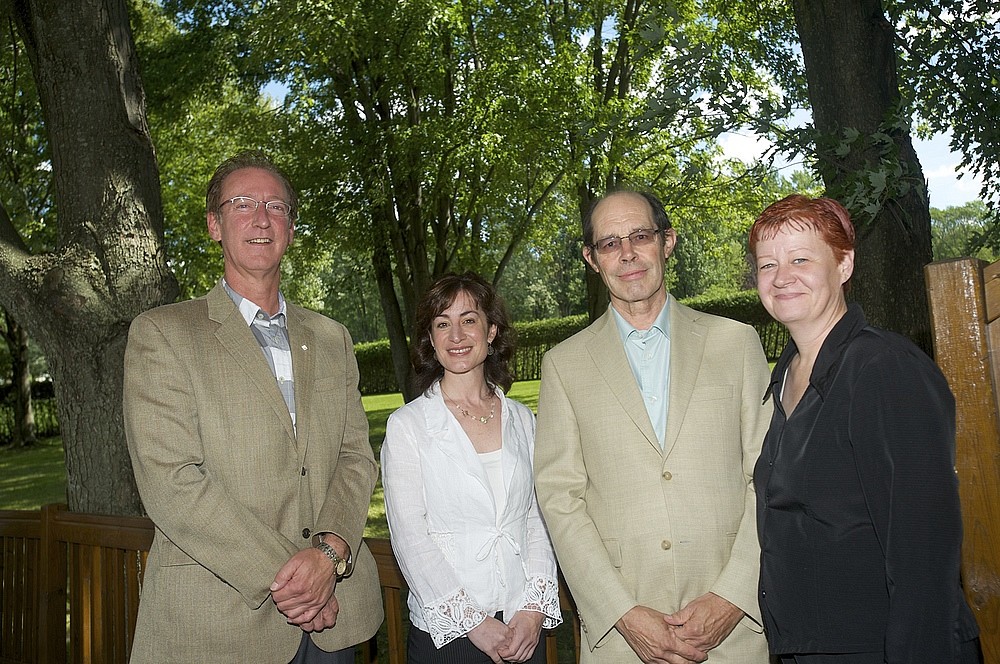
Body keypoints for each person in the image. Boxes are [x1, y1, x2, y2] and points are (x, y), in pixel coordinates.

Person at [123, 150, 383, 663]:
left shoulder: (332, 338)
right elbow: (171, 482)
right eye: (242, 204)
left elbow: (356, 457)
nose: (261, 218)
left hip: (335, 621)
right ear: (214, 225)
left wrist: (330, 555)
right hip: (220, 626)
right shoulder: (163, 335)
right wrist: (298, 581)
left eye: (276, 206)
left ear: (290, 227)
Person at [533, 190, 773, 664]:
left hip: (733, 634)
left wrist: (732, 597)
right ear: (591, 258)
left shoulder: (736, 344)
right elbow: (559, 498)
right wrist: (621, 611)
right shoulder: (563, 365)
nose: (627, 253)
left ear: (667, 242)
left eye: (640, 236)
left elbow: (768, 479)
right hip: (622, 640)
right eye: (608, 243)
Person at [749, 194, 982, 664]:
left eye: (801, 259)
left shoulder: (883, 369)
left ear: (845, 264)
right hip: (805, 648)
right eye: (767, 264)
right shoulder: (785, 377)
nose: (782, 277)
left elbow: (925, 553)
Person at [381, 272, 563, 664]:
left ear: (492, 330)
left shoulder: (522, 420)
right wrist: (476, 624)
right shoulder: (408, 427)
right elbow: (411, 538)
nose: (456, 336)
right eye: (442, 324)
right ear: (431, 339)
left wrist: (533, 611)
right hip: (448, 637)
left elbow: (538, 519)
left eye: (469, 320)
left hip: (522, 630)